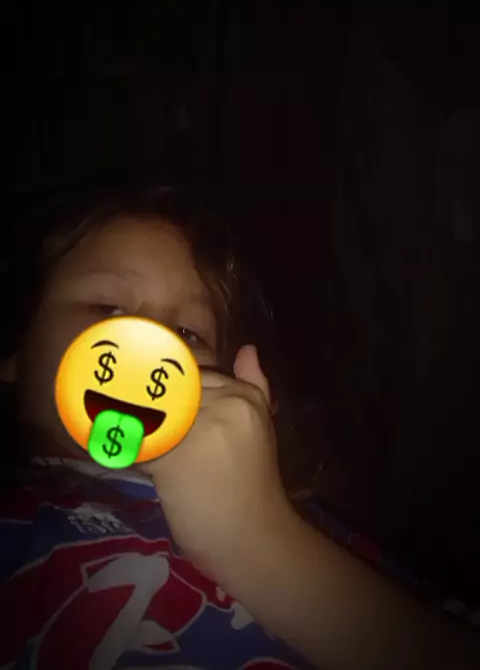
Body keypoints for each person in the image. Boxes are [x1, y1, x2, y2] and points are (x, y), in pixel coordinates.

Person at [0, 178, 478, 670]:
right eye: (108, 308)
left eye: (189, 333)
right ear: (17, 344)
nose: (151, 348)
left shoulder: (295, 519)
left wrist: (258, 536)